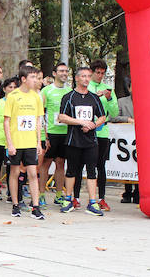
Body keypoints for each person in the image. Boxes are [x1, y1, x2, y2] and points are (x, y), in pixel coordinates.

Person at [58, 67, 108, 216]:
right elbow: (62, 117)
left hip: (91, 140)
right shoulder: (69, 97)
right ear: (77, 78)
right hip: (74, 140)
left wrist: (93, 124)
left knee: (92, 170)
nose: (86, 79)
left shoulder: (94, 98)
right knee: (72, 170)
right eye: (83, 76)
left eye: (88, 76)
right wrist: (80, 122)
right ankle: (68, 199)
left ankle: (92, 202)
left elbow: (102, 117)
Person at [3, 65, 45, 220]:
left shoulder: (36, 97)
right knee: (14, 172)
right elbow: (6, 121)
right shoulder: (13, 96)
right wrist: (10, 143)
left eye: (36, 77)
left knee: (33, 173)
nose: (36, 80)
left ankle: (36, 206)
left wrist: (38, 142)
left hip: (30, 142)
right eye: (33, 77)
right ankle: (15, 204)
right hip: (16, 142)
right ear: (24, 79)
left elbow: (37, 120)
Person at [87, 59, 119, 211]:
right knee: (85, 164)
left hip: (103, 131)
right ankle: (76, 197)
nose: (100, 76)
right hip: (87, 130)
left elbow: (114, 113)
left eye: (102, 73)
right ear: (92, 73)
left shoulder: (108, 89)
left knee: (101, 165)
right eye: (97, 73)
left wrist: (109, 98)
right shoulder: (87, 86)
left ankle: (102, 198)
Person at [40, 62, 71, 206]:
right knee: (45, 164)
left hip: (65, 132)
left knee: (61, 163)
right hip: (51, 132)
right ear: (54, 73)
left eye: (66, 71)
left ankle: (59, 194)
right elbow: (41, 113)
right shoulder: (46, 91)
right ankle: (40, 194)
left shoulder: (70, 91)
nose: (64, 73)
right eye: (61, 71)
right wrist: (44, 135)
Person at [0, 76, 18, 205]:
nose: (12, 89)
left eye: (15, 87)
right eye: (9, 87)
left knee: (14, 169)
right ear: (4, 89)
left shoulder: (20, 103)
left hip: (15, 141)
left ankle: (13, 194)